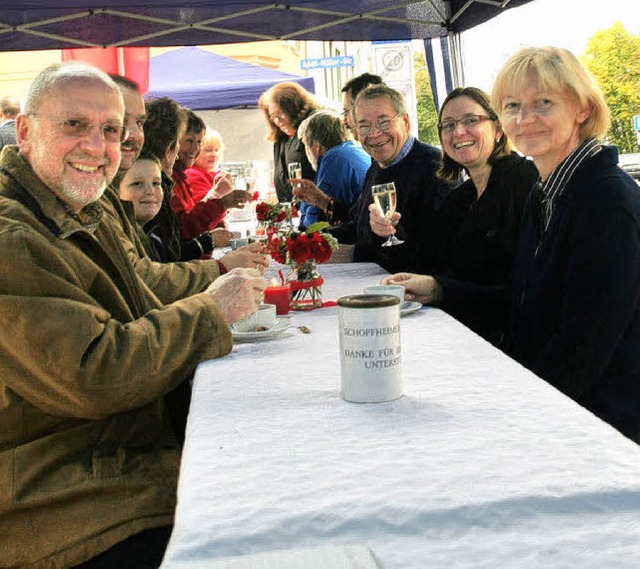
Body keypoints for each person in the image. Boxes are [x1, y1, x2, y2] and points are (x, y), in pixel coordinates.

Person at [0, 61, 267, 568]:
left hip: (120, 458)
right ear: (27, 131)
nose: (96, 147)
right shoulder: (13, 239)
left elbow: (144, 290)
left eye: (111, 131)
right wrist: (211, 310)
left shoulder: (80, 205)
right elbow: (95, 373)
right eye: (74, 125)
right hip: (68, 501)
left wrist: (216, 280)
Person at [386, 47, 640, 443]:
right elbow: (522, 302)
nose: (526, 119)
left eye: (544, 103)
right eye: (512, 105)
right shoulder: (549, 192)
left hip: (600, 432)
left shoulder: (605, 199)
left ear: (583, 110)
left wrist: (514, 414)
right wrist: (438, 288)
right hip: (555, 402)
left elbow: (583, 345)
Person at [373, 87, 538, 342]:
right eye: (448, 125)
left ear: (497, 128)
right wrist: (390, 232)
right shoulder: (461, 198)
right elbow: (425, 262)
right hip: (460, 332)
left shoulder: (525, 182)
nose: (458, 132)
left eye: (471, 121)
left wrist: (440, 289)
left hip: (507, 345)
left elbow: (522, 290)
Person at [331, 84, 453, 274]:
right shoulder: (376, 165)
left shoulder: (435, 167)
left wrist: (362, 249)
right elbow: (359, 225)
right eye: (364, 126)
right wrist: (313, 239)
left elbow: (437, 251)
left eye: (383, 122)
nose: (374, 133)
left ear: (405, 121)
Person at [172, 110, 251, 240]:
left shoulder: (180, 176)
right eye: (189, 141)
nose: (195, 148)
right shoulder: (182, 177)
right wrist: (221, 203)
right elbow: (185, 229)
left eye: (199, 142)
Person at [292, 109, 370, 229]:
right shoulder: (352, 151)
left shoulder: (334, 159)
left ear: (316, 147)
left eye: (306, 145)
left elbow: (317, 219)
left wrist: (300, 228)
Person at [258, 81, 321, 202]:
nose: (278, 121)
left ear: (293, 108)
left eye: (280, 114)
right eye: (273, 117)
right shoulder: (281, 140)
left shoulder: (312, 127)